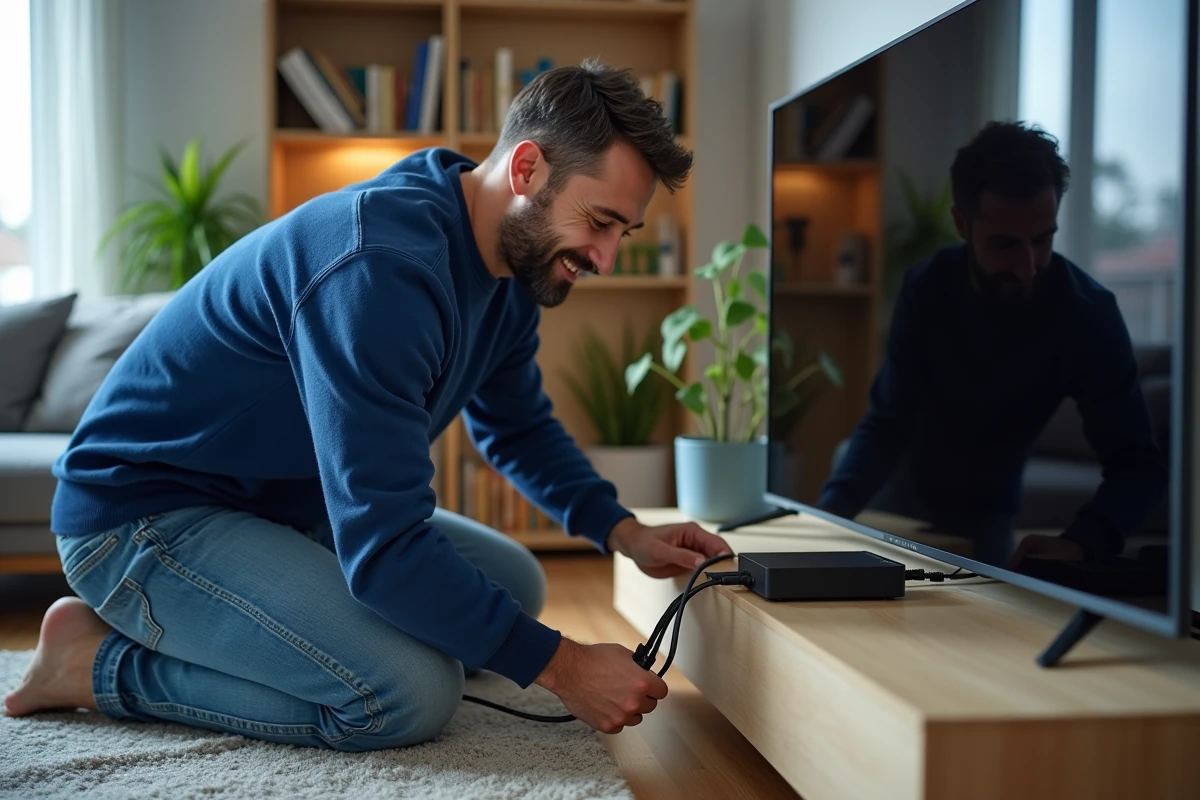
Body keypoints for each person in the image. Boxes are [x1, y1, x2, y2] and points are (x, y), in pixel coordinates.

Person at [3, 60, 734, 748]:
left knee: (516, 584)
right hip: (144, 515)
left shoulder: (511, 268)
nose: (605, 258)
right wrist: (566, 667)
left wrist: (623, 530)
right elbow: (384, 548)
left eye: (623, 234)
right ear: (526, 168)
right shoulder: (379, 268)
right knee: (408, 694)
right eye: (600, 222)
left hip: (277, 505)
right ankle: (92, 665)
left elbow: (516, 427)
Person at [817, 120, 1167, 568]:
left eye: (1043, 240)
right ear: (962, 223)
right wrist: (828, 513)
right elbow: (888, 422)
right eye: (1004, 245)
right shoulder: (927, 288)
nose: (1027, 267)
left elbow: (1139, 465)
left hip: (987, 517)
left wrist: (1085, 539)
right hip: (892, 499)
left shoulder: (1088, 314)